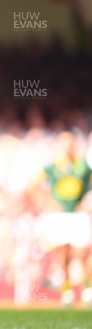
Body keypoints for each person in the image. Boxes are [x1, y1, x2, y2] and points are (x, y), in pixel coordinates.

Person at [34, 131, 92, 306]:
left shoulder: (83, 167)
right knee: (63, 255)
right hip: (60, 216)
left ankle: (87, 288)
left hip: (77, 215)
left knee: (82, 254)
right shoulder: (52, 168)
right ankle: (66, 291)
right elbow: (33, 186)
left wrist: (87, 202)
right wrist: (45, 202)